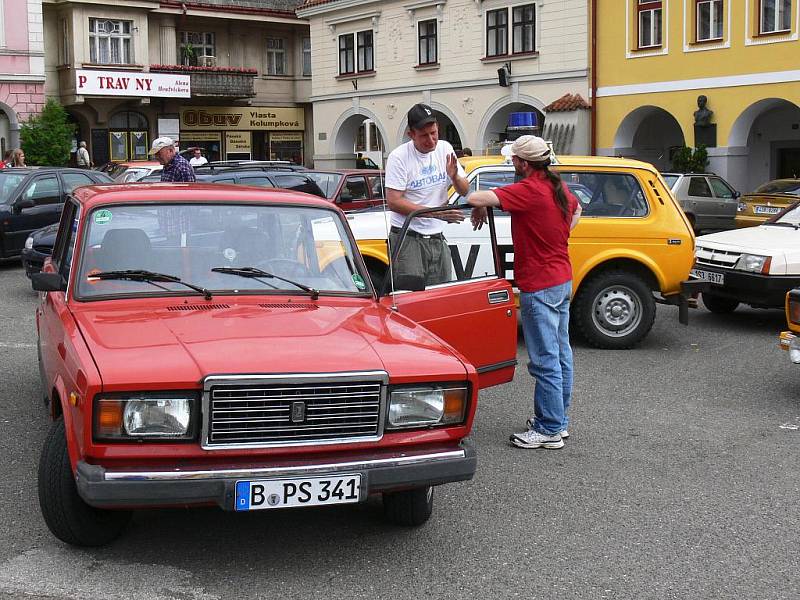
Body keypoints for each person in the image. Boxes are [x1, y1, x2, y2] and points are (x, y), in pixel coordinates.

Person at [467, 135, 581, 450]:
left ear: (524, 163)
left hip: (540, 284)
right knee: (560, 354)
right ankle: (559, 421)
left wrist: (469, 194)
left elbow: (477, 198)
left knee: (545, 359)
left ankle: (548, 429)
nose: (512, 164)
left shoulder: (530, 190)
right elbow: (577, 210)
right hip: (561, 278)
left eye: (514, 160)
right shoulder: (557, 188)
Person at [384, 103, 469, 287]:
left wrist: (454, 176)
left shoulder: (445, 148)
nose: (431, 140)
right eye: (424, 136)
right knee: (411, 298)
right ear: (411, 135)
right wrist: (437, 213)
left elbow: (465, 189)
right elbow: (394, 201)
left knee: (440, 297)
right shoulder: (399, 157)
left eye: (434, 133)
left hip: (437, 236)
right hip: (408, 238)